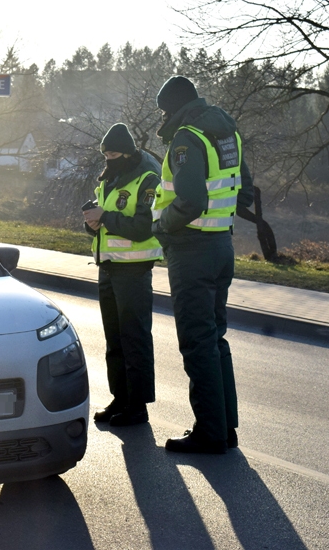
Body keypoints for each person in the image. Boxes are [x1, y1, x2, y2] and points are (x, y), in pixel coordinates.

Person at [151, 75, 254, 453]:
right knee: (215, 338)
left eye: (164, 109)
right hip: (221, 246)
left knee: (197, 342)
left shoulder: (187, 138)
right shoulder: (227, 131)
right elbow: (244, 188)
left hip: (192, 250)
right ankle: (225, 428)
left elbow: (190, 199)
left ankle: (210, 433)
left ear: (174, 106)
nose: (162, 116)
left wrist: (162, 225)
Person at [83, 123, 163, 426]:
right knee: (114, 339)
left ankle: (137, 407)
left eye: (113, 154)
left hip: (134, 269)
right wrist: (91, 222)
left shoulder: (148, 178)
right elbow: (105, 219)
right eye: (105, 155)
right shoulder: (110, 178)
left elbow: (143, 227)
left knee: (135, 338)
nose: (108, 160)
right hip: (108, 266)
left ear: (128, 153)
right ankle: (120, 398)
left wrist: (105, 218)